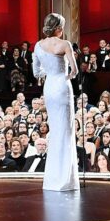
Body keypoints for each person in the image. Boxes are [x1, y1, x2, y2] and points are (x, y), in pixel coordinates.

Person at [32, 12, 80, 192]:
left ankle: (53, 180)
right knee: (65, 131)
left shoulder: (37, 45)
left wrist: (49, 75)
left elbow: (37, 72)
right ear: (59, 28)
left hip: (50, 87)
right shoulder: (65, 44)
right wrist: (64, 77)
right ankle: (65, 180)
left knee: (55, 128)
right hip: (62, 86)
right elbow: (74, 71)